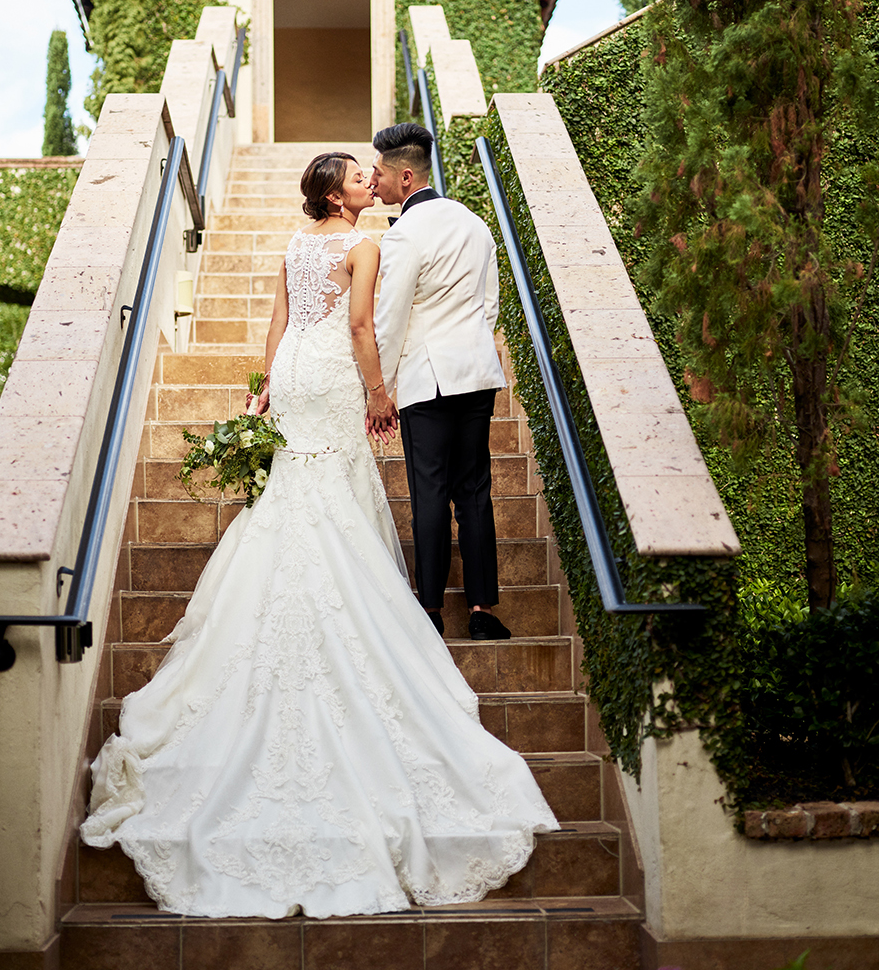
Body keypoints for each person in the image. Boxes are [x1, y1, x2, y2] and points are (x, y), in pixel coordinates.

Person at [80, 151, 556, 920]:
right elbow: (363, 323)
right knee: (333, 484)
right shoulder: (363, 246)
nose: (373, 179)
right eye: (358, 177)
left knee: (298, 487)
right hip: (337, 372)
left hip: (297, 371)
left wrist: (266, 386)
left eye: (373, 173)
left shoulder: (295, 245)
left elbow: (277, 321)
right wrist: (378, 389)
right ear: (337, 194)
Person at [370, 124, 511, 641]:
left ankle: (428, 610)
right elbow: (490, 304)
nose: (376, 182)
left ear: (405, 176)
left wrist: (378, 390)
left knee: (429, 492)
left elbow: (391, 316)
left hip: (428, 380)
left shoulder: (405, 233)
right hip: (476, 375)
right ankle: (481, 612)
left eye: (381, 174)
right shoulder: (474, 223)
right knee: (474, 492)